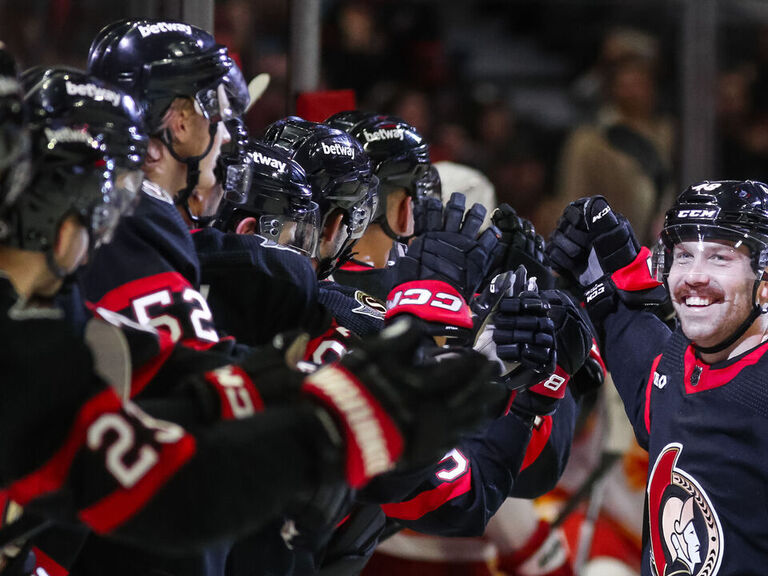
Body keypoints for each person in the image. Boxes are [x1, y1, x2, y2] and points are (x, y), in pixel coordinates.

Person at [546, 183, 768, 576]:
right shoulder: (673, 366)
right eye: (684, 255)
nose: (694, 276)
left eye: (719, 257)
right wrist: (601, 273)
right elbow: (625, 325)